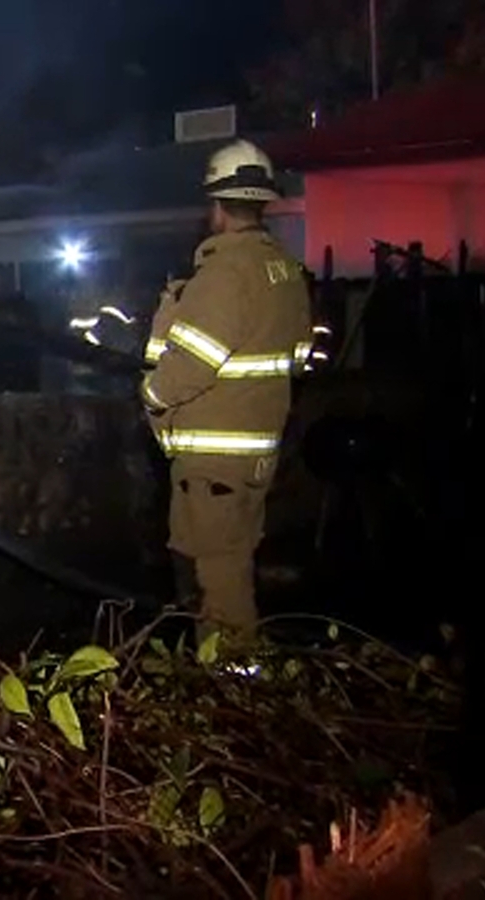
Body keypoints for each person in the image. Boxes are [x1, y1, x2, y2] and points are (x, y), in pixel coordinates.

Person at [141, 140, 313, 645]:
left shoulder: (223, 276)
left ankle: (232, 686)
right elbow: (299, 356)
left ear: (216, 207)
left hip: (214, 458)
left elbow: (189, 366)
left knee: (218, 580)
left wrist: (151, 394)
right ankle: (232, 677)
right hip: (255, 452)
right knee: (234, 565)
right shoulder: (284, 272)